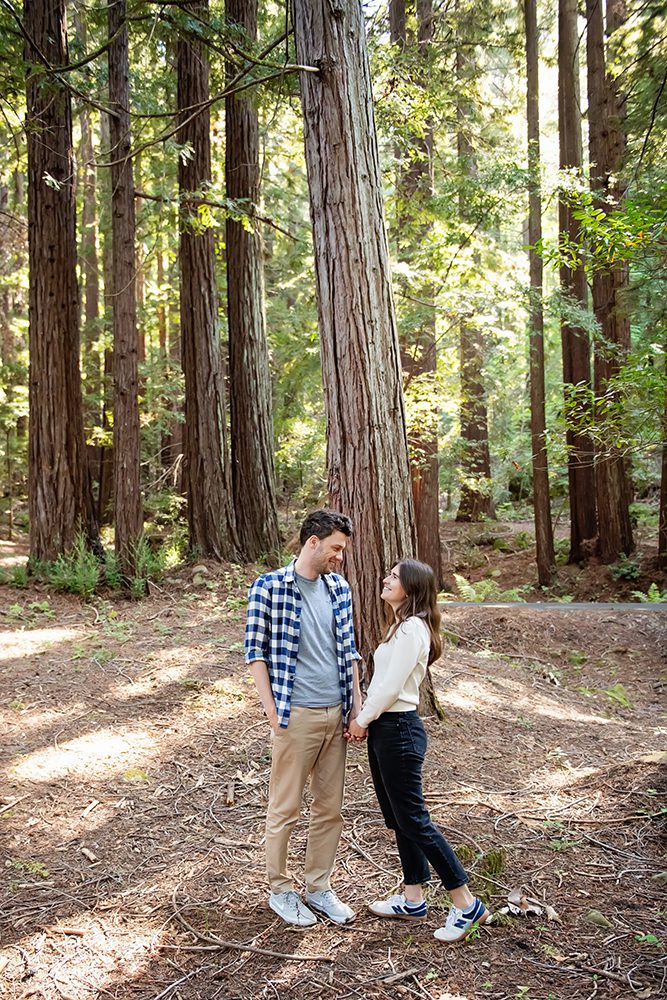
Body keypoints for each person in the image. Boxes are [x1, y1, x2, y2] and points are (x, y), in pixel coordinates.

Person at [347, 559, 490, 943]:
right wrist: (366, 718)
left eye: (394, 577)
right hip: (386, 729)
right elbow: (382, 681)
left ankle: (465, 903)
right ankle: (413, 899)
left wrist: (362, 719)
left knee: (414, 818)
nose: (385, 579)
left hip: (398, 730)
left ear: (410, 589)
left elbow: (391, 685)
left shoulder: (412, 628)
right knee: (399, 818)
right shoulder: (401, 627)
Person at [245, 509, 363, 927]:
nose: (340, 557)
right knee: (286, 808)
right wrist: (273, 710)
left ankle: (319, 888)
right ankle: (280, 889)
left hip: (337, 716)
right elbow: (254, 652)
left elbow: (349, 650)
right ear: (312, 542)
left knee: (330, 809)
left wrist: (356, 706)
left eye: (343, 550)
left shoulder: (339, 589)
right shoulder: (270, 586)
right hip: (296, 715)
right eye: (335, 548)